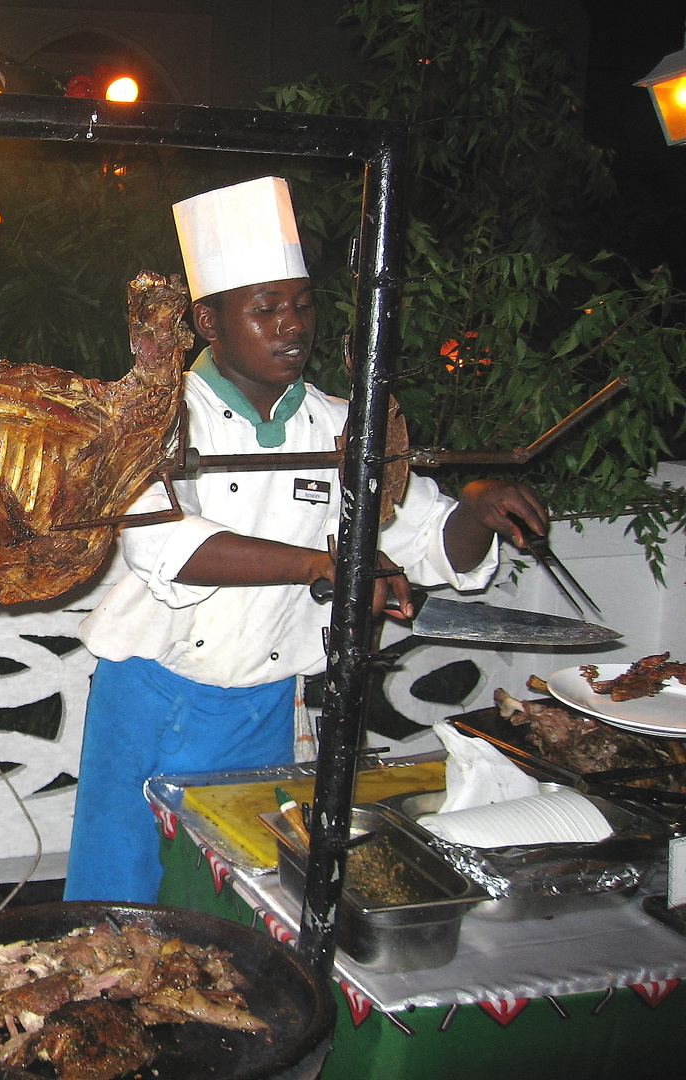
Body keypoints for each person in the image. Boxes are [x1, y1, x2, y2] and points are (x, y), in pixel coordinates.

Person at [64, 176, 549, 903]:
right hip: (150, 695)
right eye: (265, 310)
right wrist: (330, 563)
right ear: (208, 320)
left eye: (302, 305)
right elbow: (166, 545)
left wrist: (476, 511)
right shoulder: (153, 419)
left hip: (264, 703)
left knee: (239, 895)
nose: (293, 326)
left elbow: (428, 540)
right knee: (120, 891)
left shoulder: (341, 423)